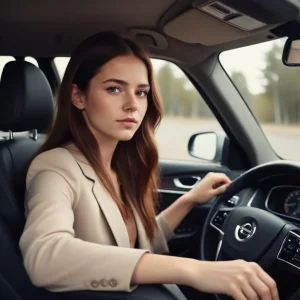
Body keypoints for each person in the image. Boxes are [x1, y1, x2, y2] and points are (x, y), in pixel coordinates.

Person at [19, 32, 279, 300]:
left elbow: (133, 245)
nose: (133, 104)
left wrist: (190, 199)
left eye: (141, 92)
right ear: (78, 97)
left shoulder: (120, 166)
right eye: (114, 89)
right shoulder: (55, 166)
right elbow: (46, 257)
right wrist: (193, 270)